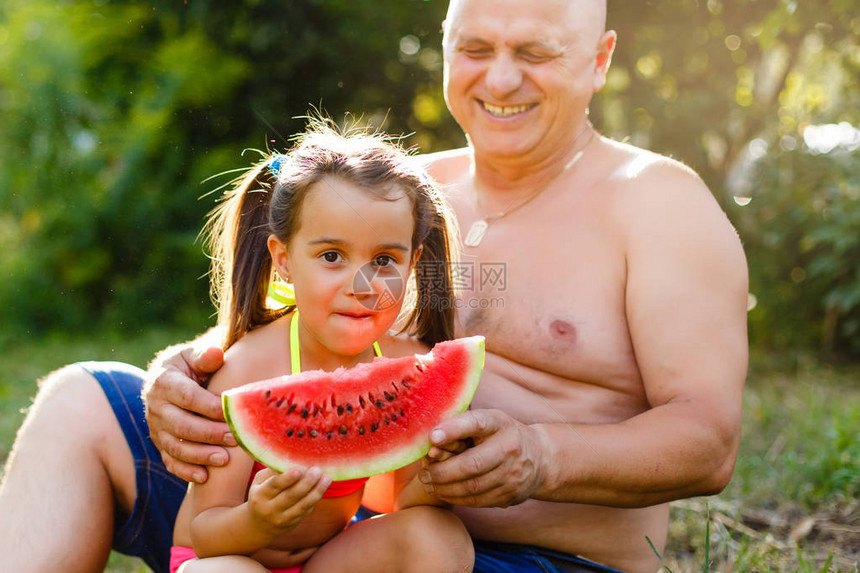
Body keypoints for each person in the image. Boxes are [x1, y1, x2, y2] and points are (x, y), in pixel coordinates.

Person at [0, 1, 748, 572]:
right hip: (307, 519)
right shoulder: (410, 193)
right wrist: (186, 370)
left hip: (520, 558)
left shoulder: (658, 203)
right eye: (476, 48)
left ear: (600, 58)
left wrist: (542, 454)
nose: (502, 77)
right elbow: (301, 325)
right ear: (447, 46)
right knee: (80, 400)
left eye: (535, 52)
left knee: (425, 539)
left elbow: (707, 440)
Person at [165, 122, 473, 572]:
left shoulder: (408, 364)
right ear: (284, 260)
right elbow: (205, 533)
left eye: (384, 260)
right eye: (332, 256)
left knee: (435, 532)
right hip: (228, 555)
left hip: (323, 561)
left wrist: (439, 472)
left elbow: (397, 500)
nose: (361, 285)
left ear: (413, 266)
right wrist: (258, 518)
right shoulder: (247, 368)